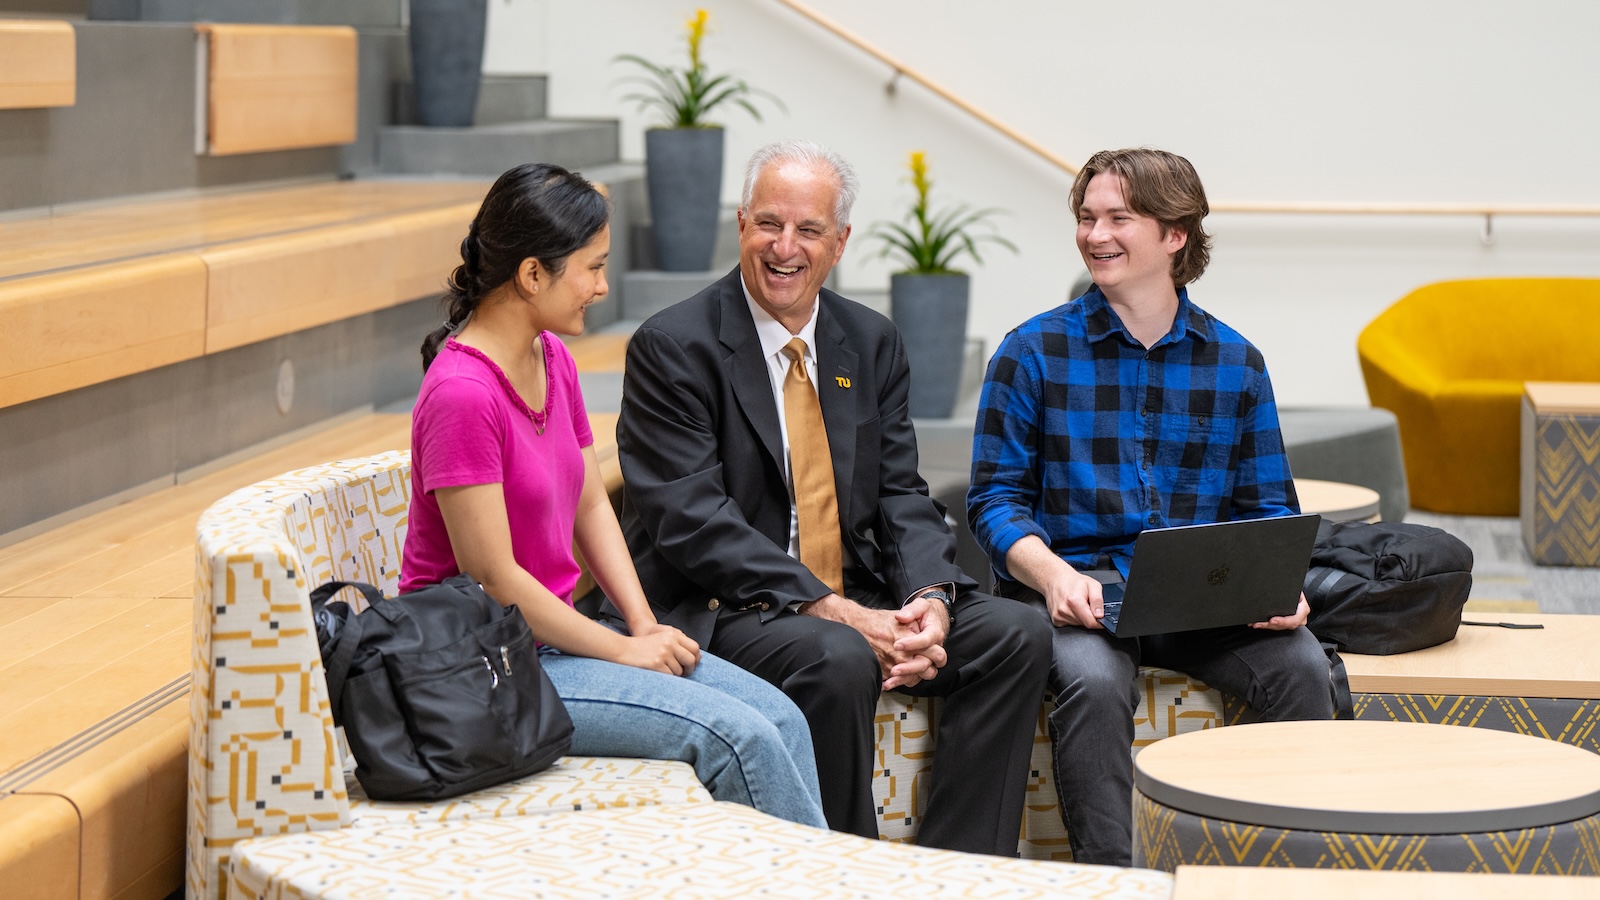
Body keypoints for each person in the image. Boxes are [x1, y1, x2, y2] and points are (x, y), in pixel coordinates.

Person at [615, 139, 1051, 856]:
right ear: (741, 224)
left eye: (808, 230)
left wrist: (931, 602)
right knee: (838, 656)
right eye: (769, 224)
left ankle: (955, 867)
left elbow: (902, 495)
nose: (785, 247)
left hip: (859, 593)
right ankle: (845, 872)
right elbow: (692, 524)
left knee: (1015, 634)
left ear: (839, 242)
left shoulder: (870, 341)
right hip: (730, 606)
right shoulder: (675, 346)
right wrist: (839, 611)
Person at [399, 163, 826, 827]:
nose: (601, 287)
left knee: (781, 717)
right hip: (483, 667)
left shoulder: (551, 357)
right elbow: (493, 577)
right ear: (532, 273)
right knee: (741, 742)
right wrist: (623, 649)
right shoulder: (462, 394)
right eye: (592, 269)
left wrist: (642, 622)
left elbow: (591, 504)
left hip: (551, 643)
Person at [968, 147, 1336, 866]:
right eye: (1086, 217)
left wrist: (1280, 586)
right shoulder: (1031, 352)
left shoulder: (1236, 362)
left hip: (1202, 601)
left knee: (1301, 667)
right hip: (1082, 597)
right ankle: (1115, 882)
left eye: (1117, 218)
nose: (1095, 234)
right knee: (1095, 684)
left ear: (1174, 235)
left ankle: (1280, 874)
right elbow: (994, 501)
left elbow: (1266, 509)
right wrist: (1050, 578)